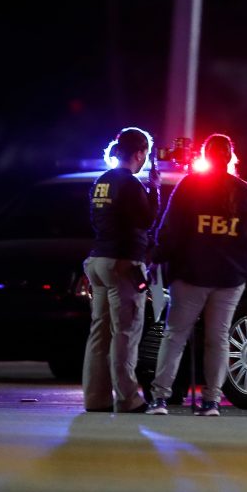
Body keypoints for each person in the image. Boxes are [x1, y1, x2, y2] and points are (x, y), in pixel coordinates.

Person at [146, 133, 247, 416]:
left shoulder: (190, 186)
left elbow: (170, 230)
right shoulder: (244, 191)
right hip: (230, 276)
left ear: (206, 156)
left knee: (175, 335)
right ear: (229, 157)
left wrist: (158, 258)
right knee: (218, 337)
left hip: (191, 273)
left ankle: (160, 398)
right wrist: (243, 256)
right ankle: (212, 400)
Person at [83, 126, 159, 412]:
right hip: (123, 263)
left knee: (99, 333)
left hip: (99, 261)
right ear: (139, 153)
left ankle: (95, 397)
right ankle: (128, 398)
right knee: (125, 332)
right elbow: (147, 220)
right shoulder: (130, 184)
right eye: (145, 154)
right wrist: (155, 190)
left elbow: (97, 220)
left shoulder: (101, 181)